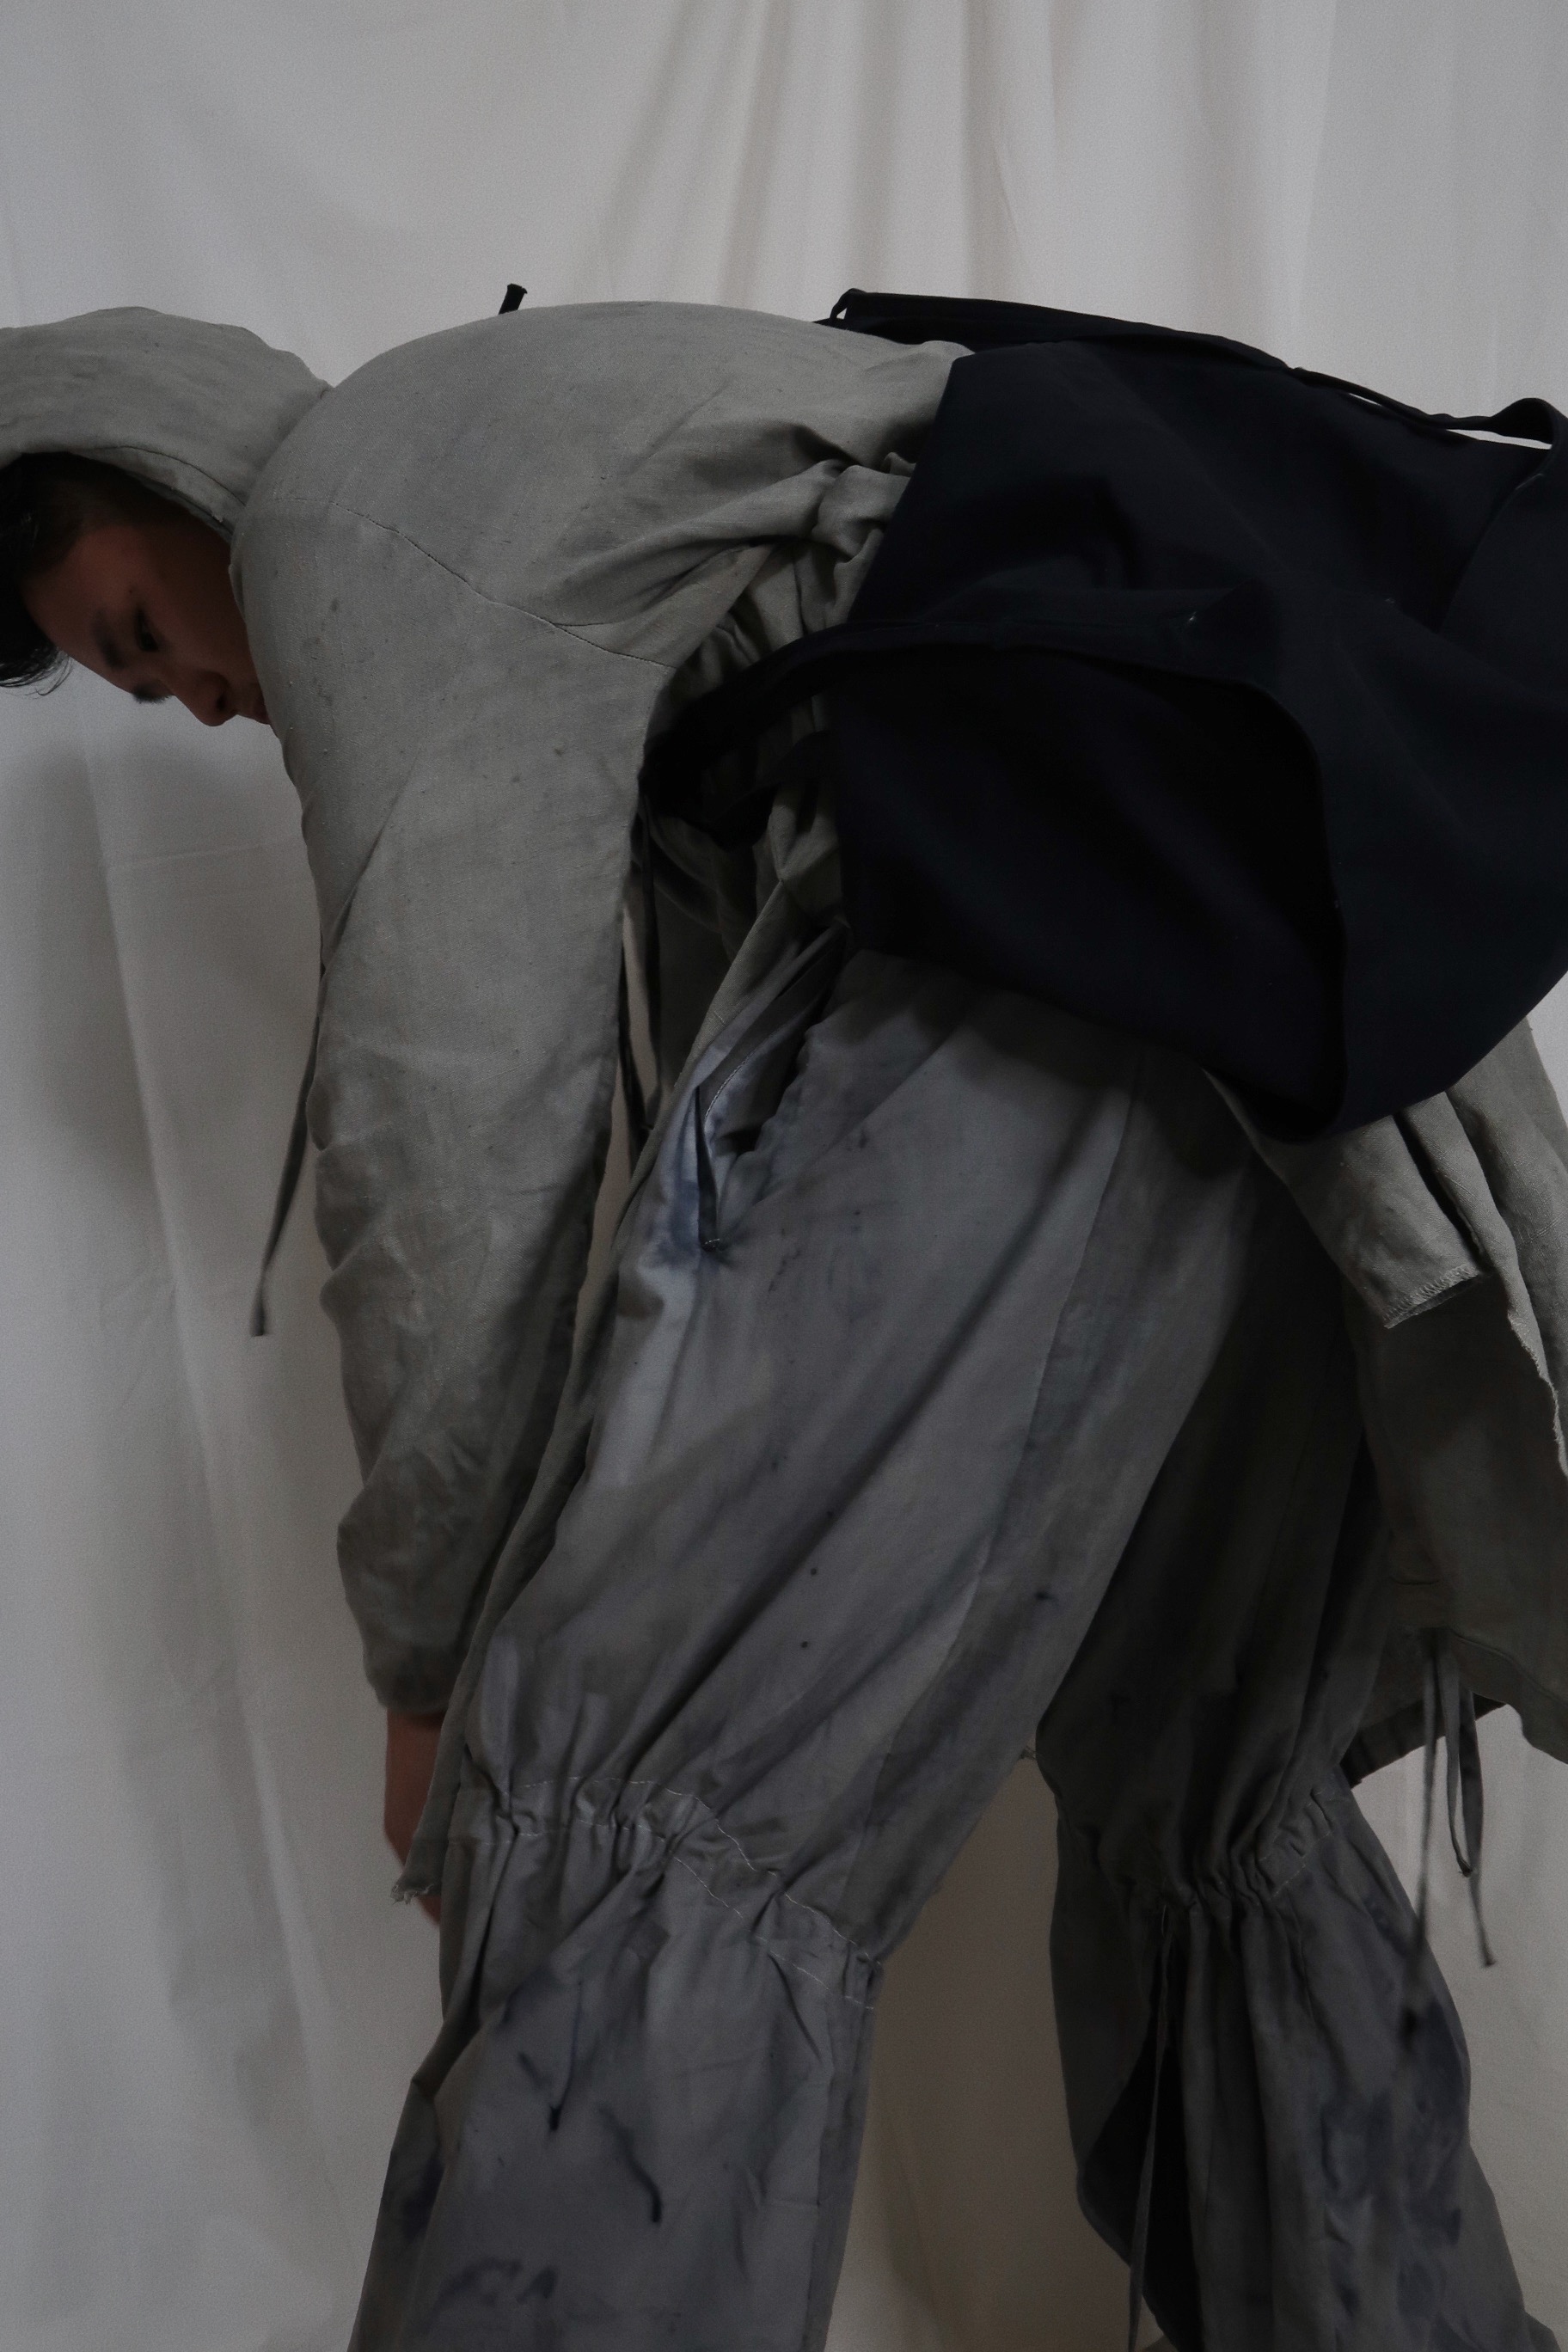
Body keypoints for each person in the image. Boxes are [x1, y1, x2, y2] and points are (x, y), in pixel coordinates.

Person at [2, 292, 1564, 2351]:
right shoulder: (568, 449)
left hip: (1070, 940)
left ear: (165, 452)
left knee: (649, 1788)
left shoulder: (351, 503)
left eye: (137, 633)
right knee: (1210, 1797)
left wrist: (436, 1662)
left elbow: (446, 1106)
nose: (196, 701)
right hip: (1246, 956)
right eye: (133, 687)